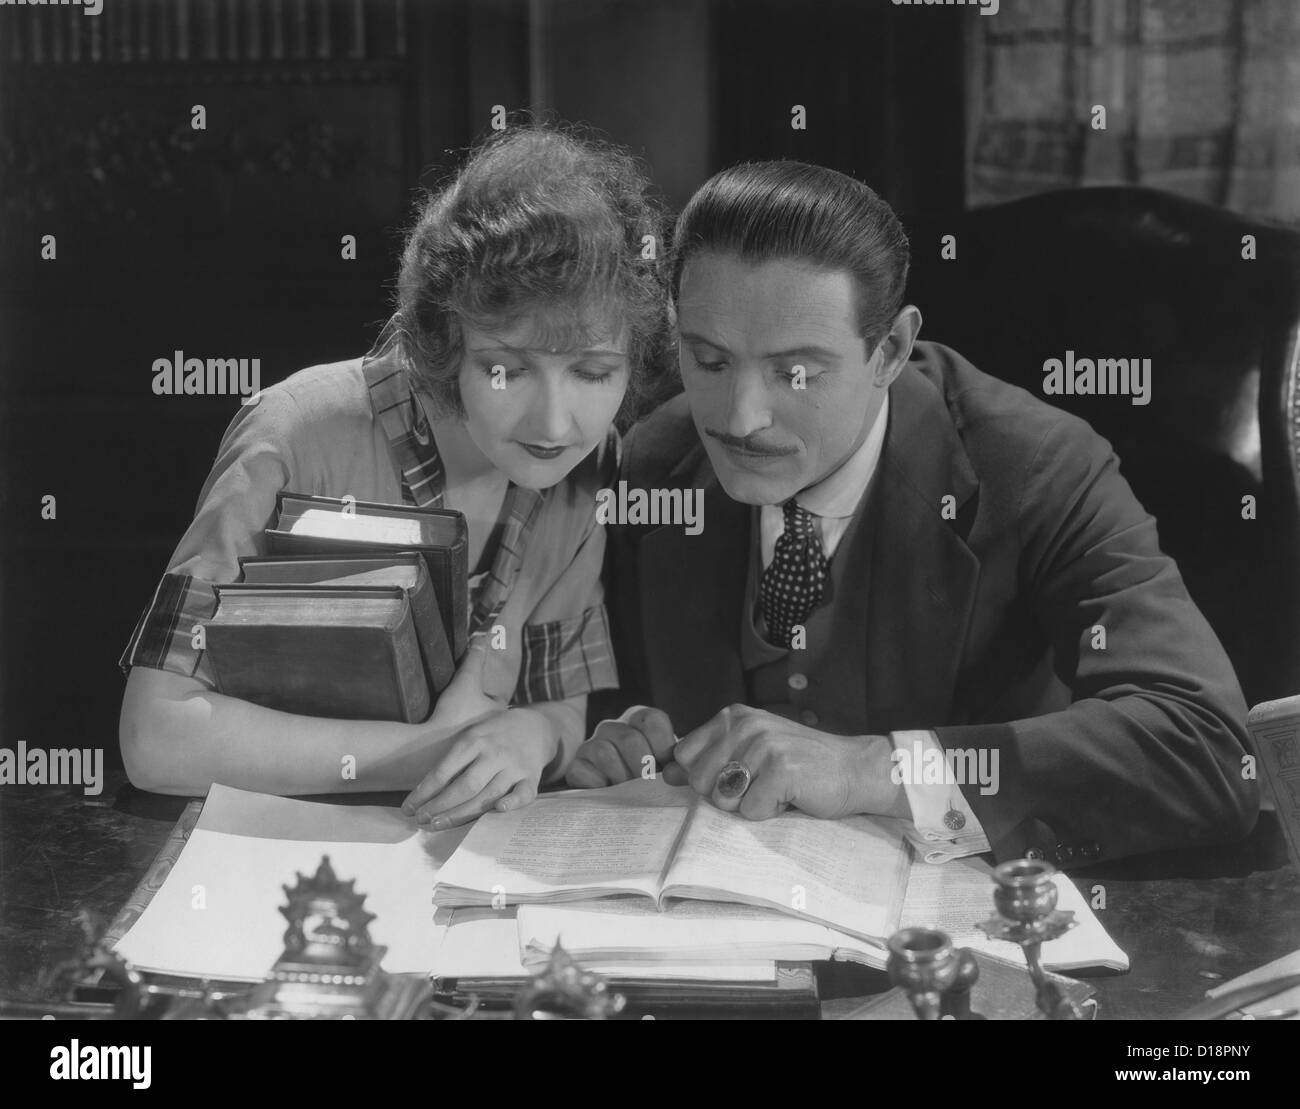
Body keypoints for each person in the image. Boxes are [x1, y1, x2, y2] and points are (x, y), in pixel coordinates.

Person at [568, 160, 1258, 867]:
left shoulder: (1038, 466)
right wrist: (620, 740)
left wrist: (876, 768)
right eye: (710, 361)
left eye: (795, 372)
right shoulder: (652, 461)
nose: (742, 419)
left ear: (890, 350)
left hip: (972, 923)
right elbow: (608, 696)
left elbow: (1205, 747)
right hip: (726, 923)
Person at [118, 126, 670, 828]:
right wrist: (431, 751)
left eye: (593, 372)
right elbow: (155, 736)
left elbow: (556, 700)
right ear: (447, 338)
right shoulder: (294, 430)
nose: (556, 421)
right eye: (508, 368)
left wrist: (534, 736)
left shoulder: (587, 468)